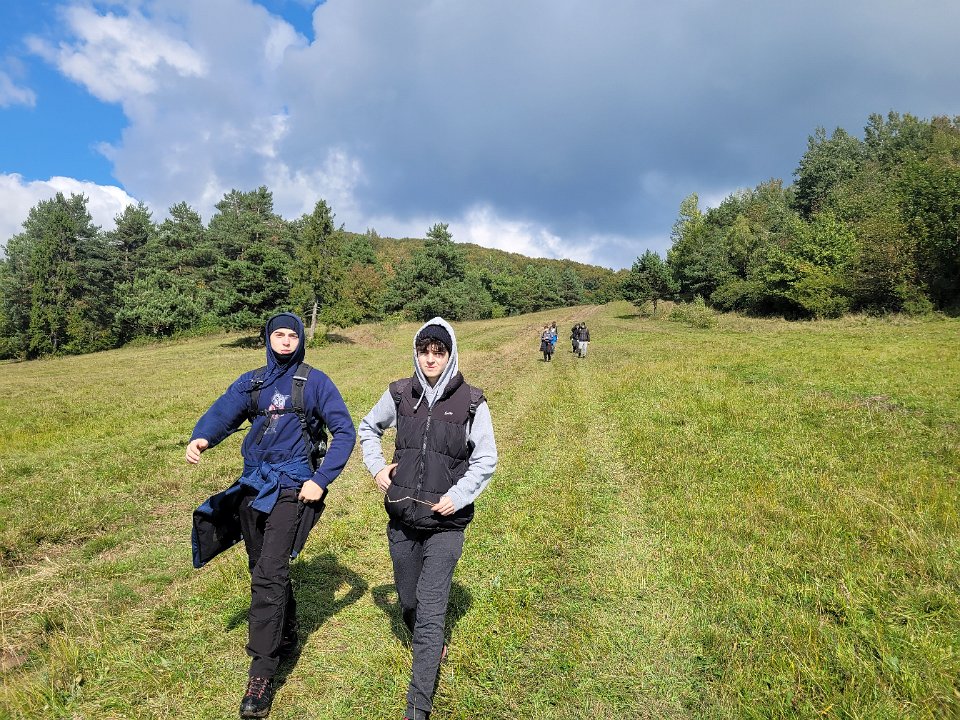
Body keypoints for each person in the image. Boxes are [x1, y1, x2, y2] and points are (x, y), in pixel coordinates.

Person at [185, 312, 356, 719]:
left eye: (292, 335)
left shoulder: (315, 382)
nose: (285, 341)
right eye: (278, 334)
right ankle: (287, 630)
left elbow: (344, 431)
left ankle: (261, 674)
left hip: (292, 488)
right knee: (262, 567)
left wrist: (321, 479)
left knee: (268, 574)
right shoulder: (254, 382)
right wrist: (202, 437)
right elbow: (225, 410)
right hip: (253, 486)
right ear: (268, 338)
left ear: (300, 340)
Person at [359, 318, 497, 720]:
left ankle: (417, 706)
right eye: (424, 351)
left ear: (451, 354)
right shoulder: (401, 393)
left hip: (445, 523)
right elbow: (368, 428)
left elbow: (486, 458)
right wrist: (377, 468)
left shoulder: (472, 401)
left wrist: (459, 496)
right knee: (409, 600)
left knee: (432, 609)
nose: (431, 358)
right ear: (416, 353)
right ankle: (427, 638)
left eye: (439, 351)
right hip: (403, 514)